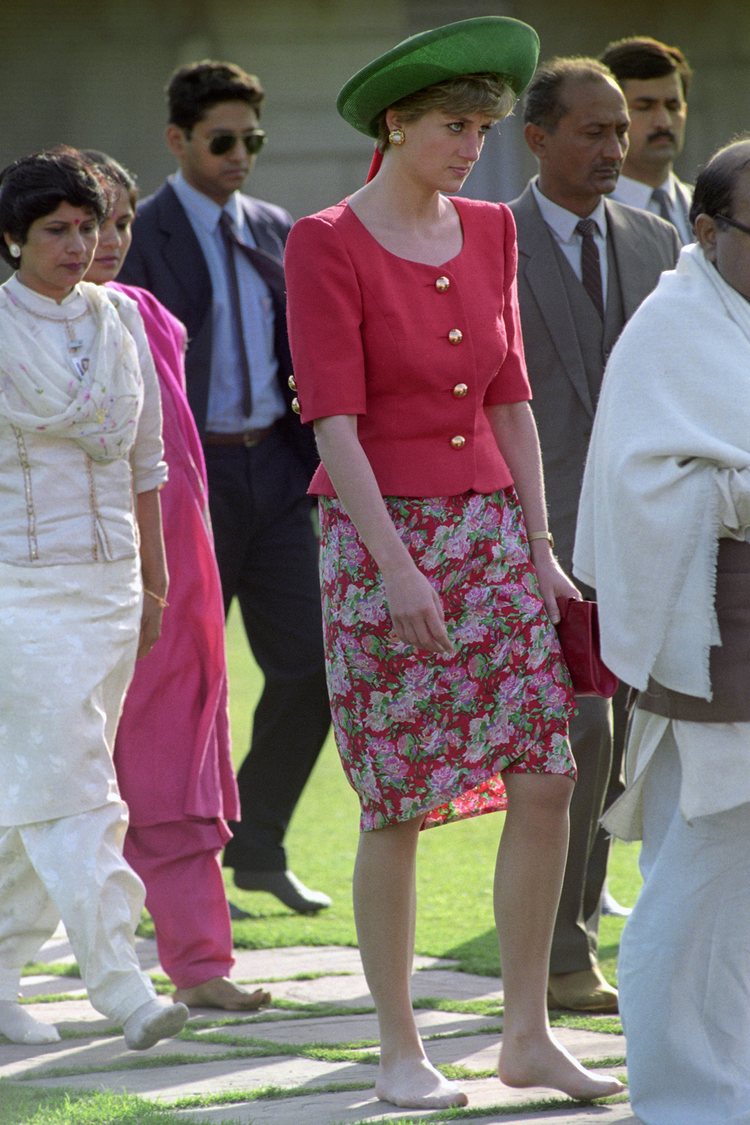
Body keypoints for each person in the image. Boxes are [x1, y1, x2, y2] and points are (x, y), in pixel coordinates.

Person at [284, 16, 624, 1112]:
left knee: (548, 771)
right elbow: (333, 421)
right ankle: (399, 1047)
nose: (472, 147)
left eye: (482, 128)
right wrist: (393, 565)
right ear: (395, 125)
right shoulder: (324, 239)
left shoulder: (489, 230)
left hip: (489, 530)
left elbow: (512, 397)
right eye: (452, 126)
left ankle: (525, 1032)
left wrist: (541, 548)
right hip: (376, 535)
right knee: (395, 799)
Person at [119, 60, 331, 915]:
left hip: (274, 470)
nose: (241, 154)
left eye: (254, 139)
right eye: (223, 140)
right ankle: (165, 869)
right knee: (180, 682)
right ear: (178, 140)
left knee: (315, 666)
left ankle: (258, 844)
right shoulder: (139, 233)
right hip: (183, 476)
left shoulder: (279, 227)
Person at [573, 137, 750, 1125]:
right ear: (710, 230)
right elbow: (648, 488)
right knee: (697, 875)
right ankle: (687, 1102)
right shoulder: (675, 324)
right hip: (715, 632)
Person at [0, 147, 188, 1050]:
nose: (79, 246)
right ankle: (121, 983)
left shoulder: (120, 320)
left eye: (89, 227)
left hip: (110, 584)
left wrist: (153, 581)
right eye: (56, 231)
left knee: (36, 785)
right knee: (79, 787)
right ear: (13, 239)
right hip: (19, 590)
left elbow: (145, 458)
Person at [508, 57, 680, 1013]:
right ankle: (562, 956)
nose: (615, 146)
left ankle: (598, 941)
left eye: (621, 130)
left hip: (651, 540)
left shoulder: (659, 244)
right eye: (594, 131)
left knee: (628, 749)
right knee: (572, 738)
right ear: (536, 140)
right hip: (542, 541)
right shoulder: (488, 243)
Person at [83, 150, 270, 1012]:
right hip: (73, 576)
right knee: (68, 774)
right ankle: (78, 964)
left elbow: (176, 458)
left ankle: (200, 965)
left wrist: (180, 573)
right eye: (87, 225)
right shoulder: (21, 327)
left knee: (180, 763)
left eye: (121, 221)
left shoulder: (151, 313)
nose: (109, 240)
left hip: (179, 568)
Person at [601, 36, 693, 243]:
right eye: (644, 107)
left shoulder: (713, 211)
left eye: (672, 106)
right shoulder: (588, 221)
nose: (663, 122)